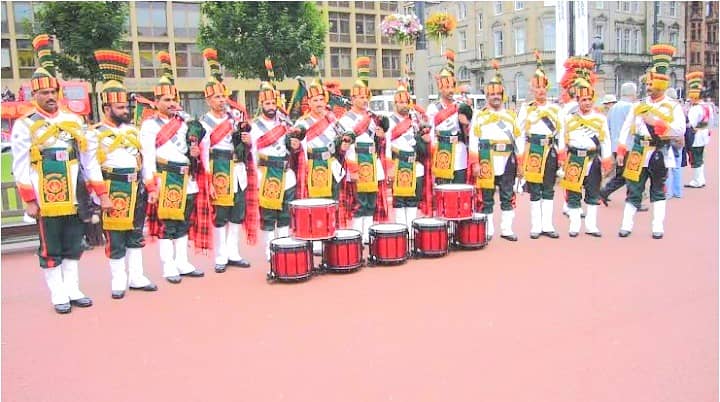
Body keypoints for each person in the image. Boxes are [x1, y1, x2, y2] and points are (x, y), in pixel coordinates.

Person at [10, 35, 105, 313]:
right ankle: (57, 293)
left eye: (53, 92)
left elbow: (88, 158)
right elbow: (20, 165)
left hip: (74, 191)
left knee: (74, 241)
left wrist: (99, 192)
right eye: (44, 93)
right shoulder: (25, 125)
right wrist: (29, 199)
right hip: (46, 193)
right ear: (34, 95)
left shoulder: (73, 120)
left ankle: (73, 288)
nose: (50, 97)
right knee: (51, 245)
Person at [90, 49, 157, 299]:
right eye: (120, 107)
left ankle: (137, 276)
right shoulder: (95, 133)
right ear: (107, 107)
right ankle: (118, 280)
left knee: (136, 233)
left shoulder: (134, 131)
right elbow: (92, 167)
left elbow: (146, 160)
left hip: (135, 188)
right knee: (115, 237)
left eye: (126, 105)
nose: (126, 110)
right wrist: (102, 195)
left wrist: (151, 187)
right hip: (113, 188)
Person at [141, 51, 205, 283]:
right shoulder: (149, 125)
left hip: (186, 178)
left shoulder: (184, 122)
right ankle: (169, 265)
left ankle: (183, 262)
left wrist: (194, 152)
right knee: (168, 225)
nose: (170, 104)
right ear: (156, 101)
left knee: (184, 222)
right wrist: (151, 186)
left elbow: (191, 147)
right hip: (165, 178)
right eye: (165, 100)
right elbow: (147, 157)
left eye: (173, 99)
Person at [616, 44, 685, 239]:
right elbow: (625, 129)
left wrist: (656, 123)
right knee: (633, 189)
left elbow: (679, 129)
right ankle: (626, 225)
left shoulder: (672, 107)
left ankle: (657, 227)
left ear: (661, 85)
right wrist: (621, 150)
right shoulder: (639, 105)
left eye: (650, 84)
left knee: (658, 190)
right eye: (646, 84)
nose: (647, 87)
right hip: (639, 152)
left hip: (659, 151)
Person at [199, 48, 252, 273]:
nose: (221, 101)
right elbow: (203, 153)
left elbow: (245, 145)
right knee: (220, 215)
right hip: (218, 167)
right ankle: (220, 255)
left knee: (237, 212)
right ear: (208, 100)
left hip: (237, 168)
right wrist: (208, 179)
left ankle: (233, 252)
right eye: (217, 97)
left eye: (223, 96)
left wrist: (247, 141)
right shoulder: (204, 122)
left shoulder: (235, 118)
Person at [468, 60, 522, 241]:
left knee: (508, 194)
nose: (496, 97)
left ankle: (506, 229)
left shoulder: (510, 115)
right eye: (492, 95)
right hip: (486, 158)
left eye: (499, 94)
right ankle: (488, 229)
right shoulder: (479, 115)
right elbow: (473, 140)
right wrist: (474, 163)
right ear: (487, 96)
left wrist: (521, 163)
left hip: (507, 158)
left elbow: (519, 140)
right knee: (487, 196)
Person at [248, 76, 300, 261]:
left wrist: (295, 145)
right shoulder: (254, 127)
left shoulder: (285, 124)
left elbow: (294, 149)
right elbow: (252, 154)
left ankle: (284, 245)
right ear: (262, 104)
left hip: (287, 174)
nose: (271, 106)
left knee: (285, 215)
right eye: (267, 103)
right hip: (267, 174)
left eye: (273, 102)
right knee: (269, 217)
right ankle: (270, 251)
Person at [559, 59, 613, 237]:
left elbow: (605, 141)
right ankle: (574, 225)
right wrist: (562, 158)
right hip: (575, 158)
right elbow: (562, 139)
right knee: (574, 193)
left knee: (593, 192)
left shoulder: (600, 119)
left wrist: (606, 160)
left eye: (590, 99)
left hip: (593, 159)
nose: (587, 103)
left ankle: (591, 225)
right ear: (578, 101)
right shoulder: (569, 118)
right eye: (584, 99)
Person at [338, 57, 388, 243]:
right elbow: (345, 147)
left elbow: (380, 143)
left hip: (372, 161)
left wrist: (381, 137)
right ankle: (357, 234)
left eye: (366, 96)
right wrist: (353, 168)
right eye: (360, 97)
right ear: (352, 99)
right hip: (356, 161)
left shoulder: (374, 118)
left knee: (370, 201)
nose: (364, 100)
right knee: (358, 202)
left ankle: (367, 234)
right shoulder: (345, 120)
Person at [293, 76, 346, 253]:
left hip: (331, 164)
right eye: (315, 100)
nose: (319, 103)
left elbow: (342, 141)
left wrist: (344, 145)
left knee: (333, 202)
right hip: (312, 166)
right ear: (309, 101)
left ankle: (331, 234)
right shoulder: (302, 122)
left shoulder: (333, 120)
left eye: (321, 99)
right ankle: (316, 239)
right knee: (315, 204)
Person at [516, 51, 563, 239]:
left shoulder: (555, 109)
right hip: (533, 150)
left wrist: (561, 155)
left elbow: (563, 133)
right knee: (534, 189)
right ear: (532, 90)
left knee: (548, 188)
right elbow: (519, 133)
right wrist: (520, 155)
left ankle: (548, 225)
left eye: (543, 87)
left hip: (550, 150)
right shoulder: (526, 109)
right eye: (537, 88)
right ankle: (536, 226)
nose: (541, 91)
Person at [385, 82, 431, 236]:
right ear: (395, 103)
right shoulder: (389, 121)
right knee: (399, 200)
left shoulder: (416, 119)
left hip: (415, 163)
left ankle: (411, 231)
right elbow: (387, 145)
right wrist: (389, 167)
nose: (404, 105)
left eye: (406, 102)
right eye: (400, 102)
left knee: (413, 198)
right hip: (398, 162)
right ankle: (400, 231)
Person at [426, 50, 473, 185]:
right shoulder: (433, 108)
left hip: (459, 151)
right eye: (447, 87)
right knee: (443, 191)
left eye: (452, 86)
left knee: (460, 188)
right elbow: (430, 133)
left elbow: (470, 129)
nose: (450, 90)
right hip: (442, 151)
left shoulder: (461, 106)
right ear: (440, 88)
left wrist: (468, 120)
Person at [599, 82, 642, 207]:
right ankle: (632, 200)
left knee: (622, 174)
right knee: (631, 174)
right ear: (633, 93)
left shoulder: (614, 108)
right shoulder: (631, 107)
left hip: (615, 146)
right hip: (628, 145)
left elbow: (608, 127)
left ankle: (605, 192)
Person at [684, 71, 711, 188]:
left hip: (696, 135)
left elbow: (690, 123)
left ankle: (697, 180)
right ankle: (701, 179)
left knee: (695, 158)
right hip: (705, 133)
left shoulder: (695, 109)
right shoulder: (707, 106)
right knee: (700, 157)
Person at [663, 87, 685, 198]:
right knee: (677, 166)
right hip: (679, 139)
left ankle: (668, 192)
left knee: (667, 166)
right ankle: (678, 191)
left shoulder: (665, 108)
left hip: (668, 138)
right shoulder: (680, 107)